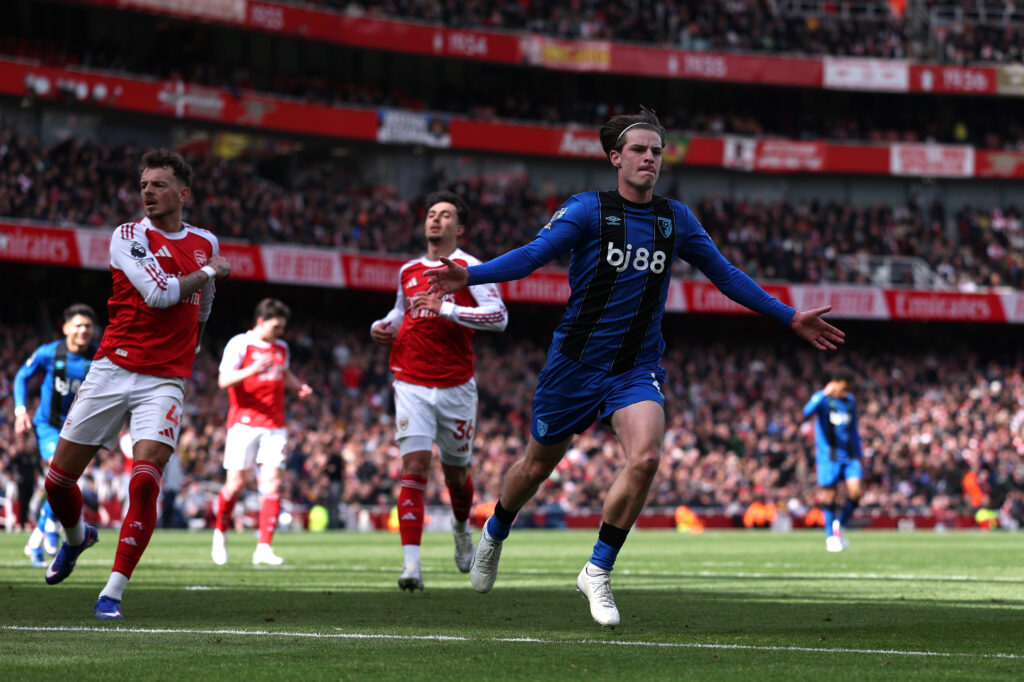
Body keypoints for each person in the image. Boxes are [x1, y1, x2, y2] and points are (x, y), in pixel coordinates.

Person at [426, 108, 845, 627]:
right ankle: (496, 530)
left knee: (645, 458)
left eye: (657, 151)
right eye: (640, 150)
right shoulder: (586, 211)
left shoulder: (676, 219)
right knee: (536, 466)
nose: (650, 158)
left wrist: (788, 317)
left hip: (635, 367)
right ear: (615, 158)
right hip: (574, 365)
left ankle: (597, 570)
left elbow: (726, 275)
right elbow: (534, 256)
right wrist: (470, 275)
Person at [41, 148, 231, 620]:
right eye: (144, 184)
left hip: (165, 379)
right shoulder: (128, 236)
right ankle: (76, 537)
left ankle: (113, 591)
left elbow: (202, 308)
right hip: (113, 368)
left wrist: (194, 348)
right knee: (57, 481)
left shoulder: (204, 239)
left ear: (182, 194)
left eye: (159, 184)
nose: (148, 191)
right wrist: (210, 271)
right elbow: (161, 294)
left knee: (145, 482)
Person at [371, 190, 508, 592]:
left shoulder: (471, 268)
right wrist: (382, 326)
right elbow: (401, 312)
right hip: (410, 379)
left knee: (456, 473)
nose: (435, 220)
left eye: (445, 215)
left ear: (459, 228)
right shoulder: (408, 269)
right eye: (431, 213)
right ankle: (411, 566)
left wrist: (446, 308)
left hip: (456, 385)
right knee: (413, 468)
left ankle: (461, 529)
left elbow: (499, 316)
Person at [211, 298, 312, 566]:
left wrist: (297, 387)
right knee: (235, 486)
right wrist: (253, 369)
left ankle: (264, 547)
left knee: (273, 483)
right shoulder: (239, 344)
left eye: (282, 327)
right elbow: (223, 380)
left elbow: (284, 374)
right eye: (276, 326)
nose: (280, 332)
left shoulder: (282, 348)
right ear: (261, 321)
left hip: (274, 424)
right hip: (243, 423)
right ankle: (220, 534)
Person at [13, 303, 99, 567]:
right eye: (78, 325)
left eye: (87, 326)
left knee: (65, 482)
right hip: (48, 426)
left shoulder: (98, 358)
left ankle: (37, 538)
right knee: (57, 470)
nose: (83, 330)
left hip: (78, 430)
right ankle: (51, 526)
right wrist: (19, 410)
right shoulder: (50, 353)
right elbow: (21, 377)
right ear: (66, 328)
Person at [802, 365, 863, 552]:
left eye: (848, 388)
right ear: (834, 384)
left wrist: (859, 453)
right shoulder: (823, 400)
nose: (846, 392)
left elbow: (853, 430)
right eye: (843, 388)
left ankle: (839, 525)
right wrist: (822, 393)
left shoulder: (850, 401)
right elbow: (806, 412)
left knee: (856, 492)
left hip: (850, 456)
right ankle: (830, 537)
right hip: (829, 457)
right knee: (830, 496)